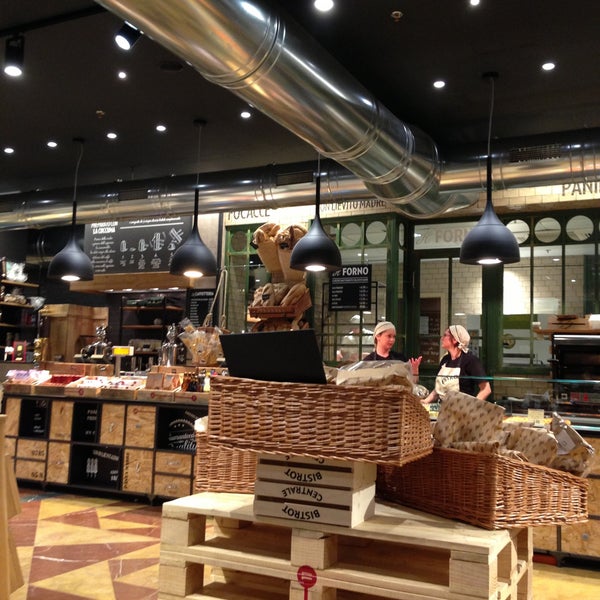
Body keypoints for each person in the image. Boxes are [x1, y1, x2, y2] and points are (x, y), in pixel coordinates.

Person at [423, 324, 491, 403]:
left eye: (445, 335)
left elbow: (486, 389)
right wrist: (426, 401)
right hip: (443, 407)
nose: (442, 338)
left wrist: (471, 406)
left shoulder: (470, 361)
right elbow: (439, 389)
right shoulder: (445, 360)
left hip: (461, 407)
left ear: (454, 340)